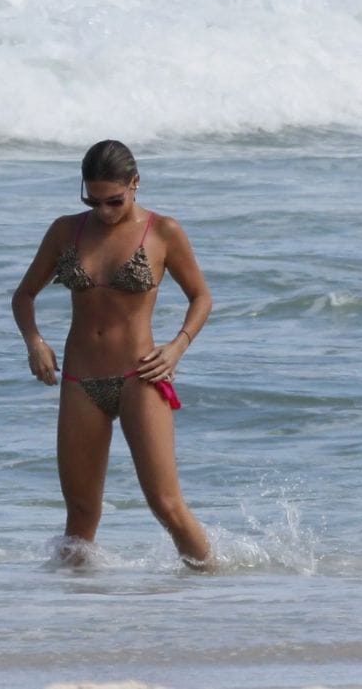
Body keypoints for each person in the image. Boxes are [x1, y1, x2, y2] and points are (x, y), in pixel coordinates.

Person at [11, 140, 213, 569]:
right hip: (81, 380)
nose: (104, 211)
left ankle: (214, 591)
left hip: (139, 376)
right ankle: (79, 620)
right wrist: (34, 341)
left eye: (114, 201)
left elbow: (201, 297)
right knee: (81, 513)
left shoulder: (163, 232)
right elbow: (24, 294)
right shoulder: (66, 230)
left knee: (166, 505)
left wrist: (177, 348)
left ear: (135, 184)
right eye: (93, 200)